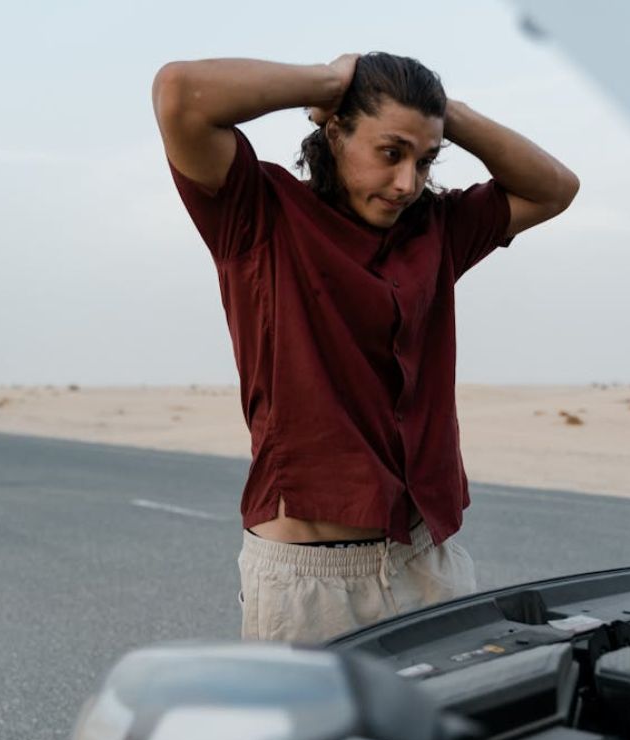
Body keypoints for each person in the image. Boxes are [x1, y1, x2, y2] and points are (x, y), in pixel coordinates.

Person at [152, 52, 578, 643]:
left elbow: (555, 188)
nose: (407, 182)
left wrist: (444, 113)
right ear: (335, 132)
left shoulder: (437, 229)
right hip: (311, 586)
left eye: (425, 160)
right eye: (390, 152)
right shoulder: (257, 216)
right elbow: (180, 93)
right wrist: (332, 82)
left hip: (428, 562)